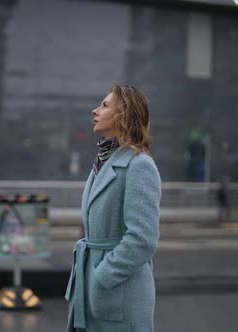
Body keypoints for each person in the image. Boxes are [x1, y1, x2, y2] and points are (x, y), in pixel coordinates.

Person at [65, 84, 161, 332]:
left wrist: (102, 277)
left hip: (119, 295)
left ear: (124, 114)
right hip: (93, 289)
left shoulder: (139, 165)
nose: (95, 110)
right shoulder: (103, 161)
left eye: (105, 105)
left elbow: (142, 240)